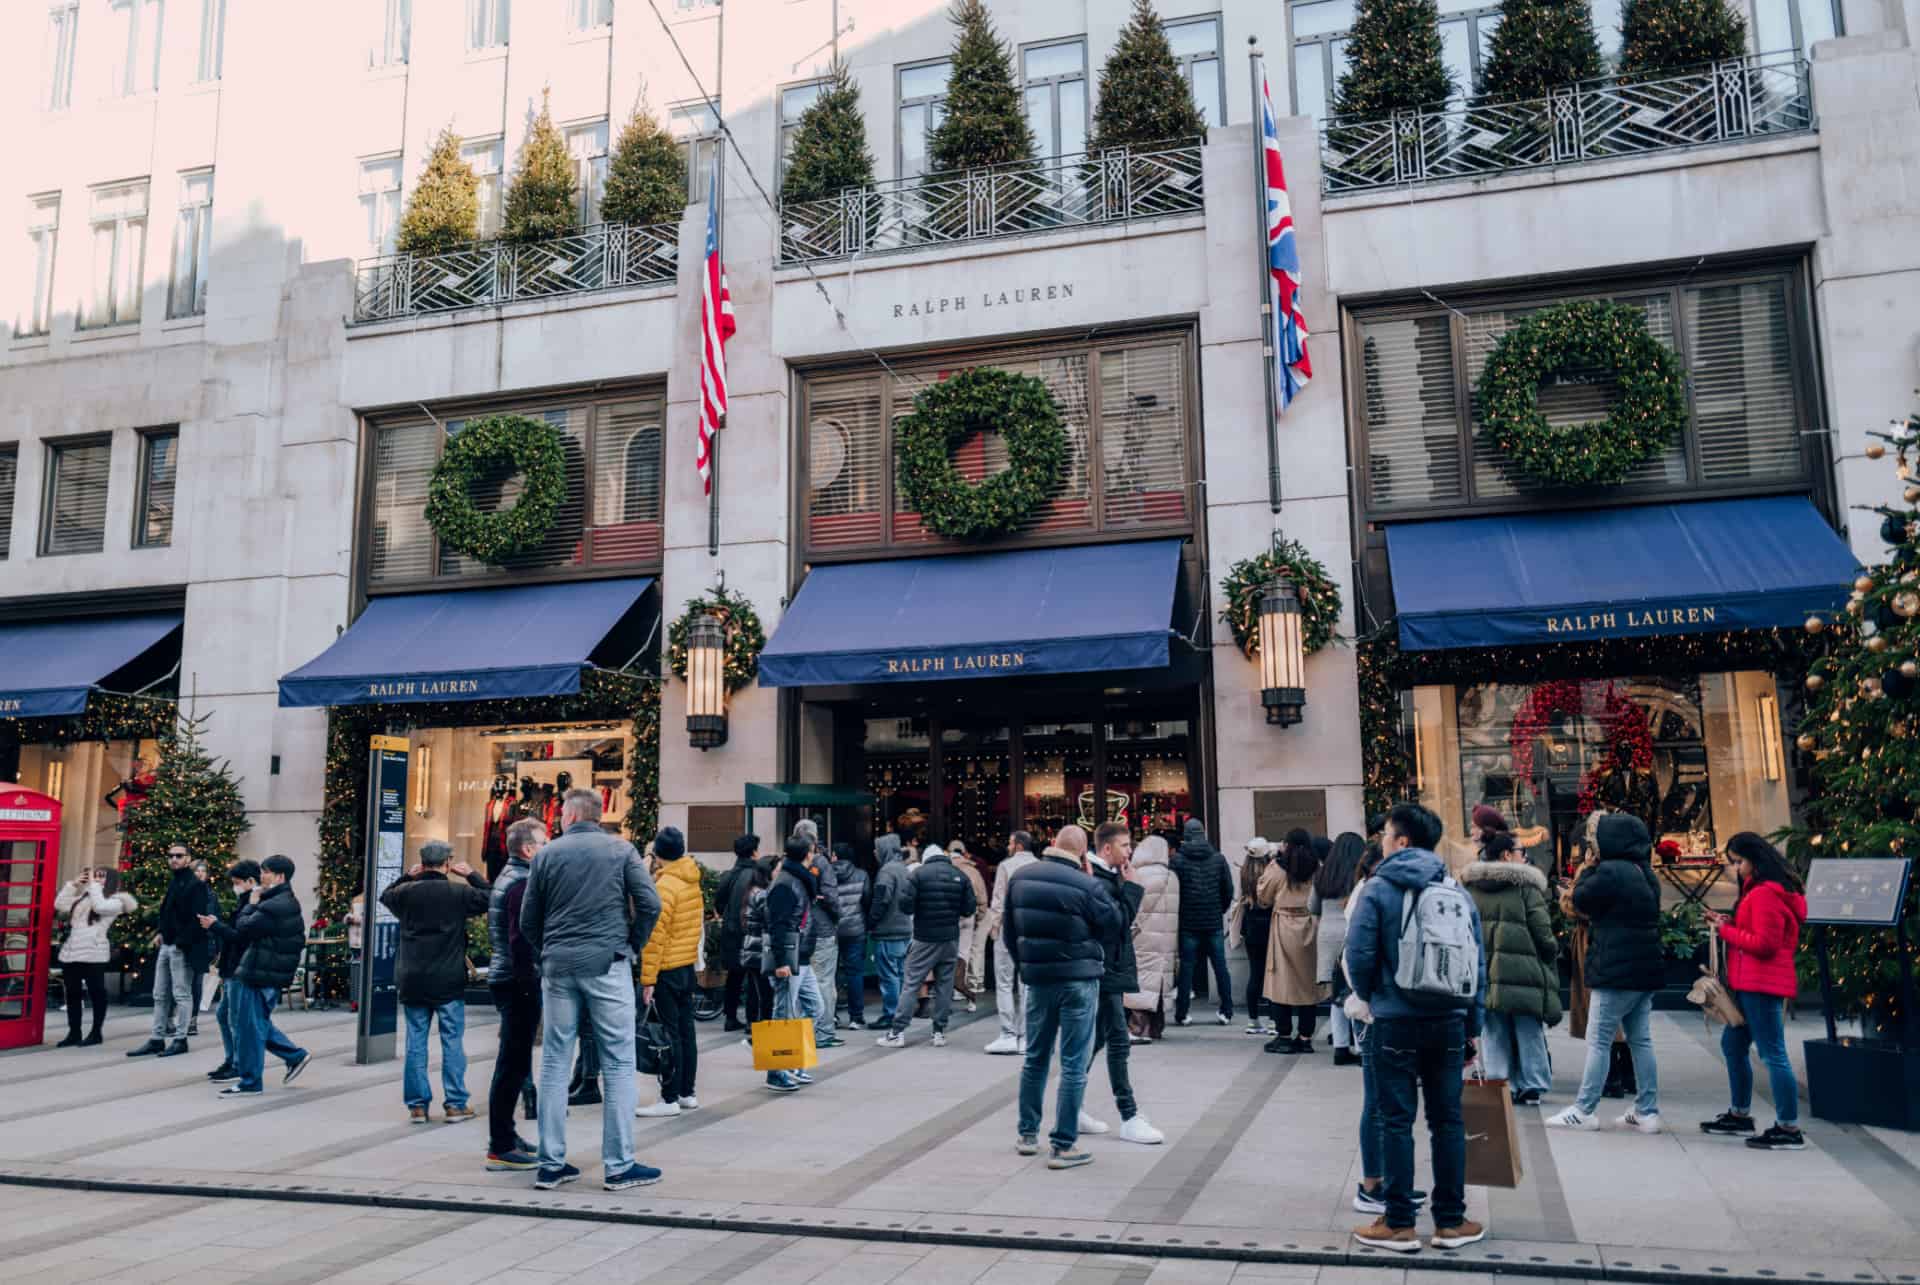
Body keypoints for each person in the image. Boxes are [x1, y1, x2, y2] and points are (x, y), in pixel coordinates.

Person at [1345, 803, 1487, 1253]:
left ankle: (1400, 1223)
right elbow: (1477, 966)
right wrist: (1472, 1025)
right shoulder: (1456, 890)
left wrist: (1372, 998)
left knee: (1395, 1120)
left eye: (1386, 834)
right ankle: (1450, 1221)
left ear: (1402, 841)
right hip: (1447, 1020)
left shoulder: (1377, 890)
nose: (1382, 841)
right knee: (1447, 1121)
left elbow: (1359, 957)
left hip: (1395, 1020)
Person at [519, 788, 662, 1192]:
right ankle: (618, 1166)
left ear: (570, 815)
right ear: (597, 816)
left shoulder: (546, 855)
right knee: (617, 1060)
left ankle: (550, 1163)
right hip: (607, 961)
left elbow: (530, 918)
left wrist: (548, 949)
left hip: (559, 965)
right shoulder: (621, 851)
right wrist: (632, 943)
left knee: (554, 1060)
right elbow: (650, 902)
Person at [1003, 824, 1122, 1169]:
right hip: (1078, 980)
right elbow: (1112, 926)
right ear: (1083, 854)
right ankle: (1063, 1145)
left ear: (1053, 844)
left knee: (1035, 1057)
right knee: (1073, 1063)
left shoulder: (1021, 879)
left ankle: (1027, 1135)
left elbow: (1011, 934)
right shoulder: (1087, 883)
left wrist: (1028, 965)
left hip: (1038, 980)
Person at [1548, 813, 1664, 1134]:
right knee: (1641, 1040)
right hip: (1645, 966)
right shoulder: (1645, 872)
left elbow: (1581, 897)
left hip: (1614, 968)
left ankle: (1584, 1109)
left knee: (1598, 1040)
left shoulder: (1609, 871)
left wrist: (1589, 867)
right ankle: (1647, 1111)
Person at [1702, 832, 1808, 1151]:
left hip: (1762, 982)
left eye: (1739, 861)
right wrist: (1728, 922)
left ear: (1755, 860)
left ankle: (1789, 1127)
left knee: (1772, 1053)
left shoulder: (1765, 893)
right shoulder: (1760, 890)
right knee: (1733, 1045)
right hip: (1750, 981)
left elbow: (1765, 944)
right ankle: (1740, 1114)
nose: (1736, 868)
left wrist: (1726, 930)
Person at [380, 840, 491, 1123]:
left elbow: (386, 895)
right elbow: (491, 897)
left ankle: (417, 1105)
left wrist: (408, 875)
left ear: (422, 863)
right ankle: (455, 1103)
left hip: (413, 977)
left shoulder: (405, 893)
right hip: (447, 977)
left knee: (415, 1041)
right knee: (451, 1040)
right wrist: (471, 874)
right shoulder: (458, 892)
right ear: (448, 863)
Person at [1462, 831, 1559, 1104]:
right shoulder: (1526, 888)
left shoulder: (1471, 888)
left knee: (1494, 1029)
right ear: (1507, 855)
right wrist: (1550, 954)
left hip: (1486, 973)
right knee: (1528, 1029)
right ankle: (1532, 1084)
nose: (1524, 856)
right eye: (1521, 851)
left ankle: (1499, 1081)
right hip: (1524, 972)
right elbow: (1543, 933)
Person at [1083, 822, 1164, 1145]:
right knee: (1117, 1040)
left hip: (1110, 969)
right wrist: (1132, 887)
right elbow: (1116, 923)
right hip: (1105, 970)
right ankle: (1128, 1115)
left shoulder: (1107, 875)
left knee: (1100, 1040)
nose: (1130, 851)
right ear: (1107, 849)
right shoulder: (1098, 881)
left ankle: (1070, 1105)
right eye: (1125, 845)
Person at [221, 854, 312, 1097]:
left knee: (250, 1027)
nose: (262, 876)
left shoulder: (274, 904)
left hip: (261, 973)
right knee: (255, 1023)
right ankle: (294, 1056)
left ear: (280, 877)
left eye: (266, 872)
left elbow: (244, 927)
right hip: (264, 971)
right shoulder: (281, 900)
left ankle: (251, 1082)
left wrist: (251, 901)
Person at [1560, 809, 1635, 1100]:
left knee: (1602, 1012)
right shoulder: (1631, 867)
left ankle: (1611, 1077)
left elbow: (1580, 906)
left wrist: (1566, 896)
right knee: (1622, 1014)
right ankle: (1627, 1074)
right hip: (1619, 945)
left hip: (1595, 944)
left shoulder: (1598, 869)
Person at [485, 818, 545, 1169]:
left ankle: (506, 1133)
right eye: (545, 841)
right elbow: (520, 941)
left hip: (509, 977)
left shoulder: (513, 876)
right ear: (529, 849)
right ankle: (500, 1143)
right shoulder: (521, 883)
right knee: (512, 1062)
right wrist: (529, 985)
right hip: (515, 981)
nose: (549, 847)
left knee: (516, 1061)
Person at [877, 841, 977, 1048]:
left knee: (911, 982)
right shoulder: (959, 874)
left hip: (924, 937)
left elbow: (905, 906)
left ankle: (897, 1032)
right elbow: (969, 909)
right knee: (944, 985)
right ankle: (939, 1032)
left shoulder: (917, 875)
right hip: (950, 938)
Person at [638, 826, 704, 1118]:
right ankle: (687, 1092)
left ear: (658, 854)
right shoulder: (690, 880)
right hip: (686, 965)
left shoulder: (665, 886)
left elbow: (655, 937)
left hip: (666, 969)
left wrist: (647, 979)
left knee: (669, 1034)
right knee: (686, 1032)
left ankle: (669, 1097)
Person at [128, 845, 215, 1057]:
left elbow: (198, 919)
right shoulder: (175, 880)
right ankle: (157, 1038)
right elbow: (166, 911)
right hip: (167, 944)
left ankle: (180, 1039)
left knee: (181, 993)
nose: (174, 859)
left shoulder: (196, 885)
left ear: (188, 858)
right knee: (159, 994)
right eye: (171, 856)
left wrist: (180, 943)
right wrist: (160, 932)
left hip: (182, 948)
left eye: (179, 856)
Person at [764, 835, 825, 1091]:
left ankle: (794, 1061)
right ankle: (777, 1070)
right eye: (812, 851)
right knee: (783, 1013)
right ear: (807, 853)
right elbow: (777, 924)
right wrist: (780, 960)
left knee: (815, 1008)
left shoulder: (800, 880)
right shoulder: (787, 884)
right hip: (789, 957)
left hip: (802, 955)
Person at [55, 867, 135, 1047]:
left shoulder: (116, 901)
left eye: (102, 877)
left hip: (94, 953)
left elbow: (100, 907)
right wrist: (73, 884)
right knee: (73, 994)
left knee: (97, 993)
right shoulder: (85, 898)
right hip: (72, 951)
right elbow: (60, 905)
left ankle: (96, 1032)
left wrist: (93, 887)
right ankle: (74, 1032)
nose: (98, 879)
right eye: (96, 876)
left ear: (112, 880)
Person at [1260, 830, 1324, 1054]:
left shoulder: (1278, 868)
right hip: (1310, 924)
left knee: (1281, 982)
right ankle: (1305, 1037)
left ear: (1286, 844)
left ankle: (1284, 1035)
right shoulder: (1317, 867)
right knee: (1309, 984)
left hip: (1284, 925)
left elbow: (1263, 897)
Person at [1170, 819, 1234, 1026]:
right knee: (1220, 967)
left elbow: (1173, 892)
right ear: (1203, 834)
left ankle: (1182, 1013)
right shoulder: (1218, 859)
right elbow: (1228, 890)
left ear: (1186, 836)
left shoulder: (1178, 860)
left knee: (1187, 968)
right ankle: (1226, 1011)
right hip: (1213, 921)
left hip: (1188, 922)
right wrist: (1219, 909)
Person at [200, 860, 260, 1082]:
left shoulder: (253, 903)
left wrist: (216, 926)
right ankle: (232, 1060)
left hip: (238, 968)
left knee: (234, 1018)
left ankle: (237, 1063)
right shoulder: (244, 901)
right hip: (232, 966)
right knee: (224, 1015)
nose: (235, 886)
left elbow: (240, 936)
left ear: (250, 881)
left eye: (237, 882)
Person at [984, 831, 1040, 1055]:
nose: (1007, 846)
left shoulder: (1006, 867)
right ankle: (1027, 1036)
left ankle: (1008, 1034)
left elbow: (998, 901)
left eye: (1009, 843)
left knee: (1005, 982)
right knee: (1028, 985)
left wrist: (994, 928)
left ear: (1017, 846)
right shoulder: (1040, 866)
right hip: (1033, 929)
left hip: (1009, 928)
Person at [1314, 833, 1366, 1064]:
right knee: (1357, 990)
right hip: (1351, 932)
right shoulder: (1360, 876)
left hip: (1327, 934)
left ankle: (1340, 1047)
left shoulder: (1323, 873)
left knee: (1336, 993)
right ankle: (1360, 1044)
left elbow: (1312, 906)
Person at [794, 820, 844, 1051]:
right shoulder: (821, 863)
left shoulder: (789, 863)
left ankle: (804, 1029)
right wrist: (836, 917)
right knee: (823, 982)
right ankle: (823, 1031)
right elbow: (832, 898)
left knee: (801, 983)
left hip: (797, 931)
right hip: (822, 929)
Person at [1124, 834, 1178, 1044]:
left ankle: (1137, 1028)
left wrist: (1128, 929)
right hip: (1165, 938)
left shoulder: (1142, 875)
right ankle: (1155, 1027)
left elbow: (1138, 910)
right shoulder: (1171, 876)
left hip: (1144, 937)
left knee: (1142, 981)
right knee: (1159, 982)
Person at [868, 827, 916, 1032]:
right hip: (905, 930)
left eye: (877, 849)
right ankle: (903, 1013)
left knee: (889, 976)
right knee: (901, 974)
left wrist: (871, 921)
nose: (874, 852)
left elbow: (881, 899)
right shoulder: (904, 869)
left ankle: (892, 1014)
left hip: (889, 931)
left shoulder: (887, 872)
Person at [714, 835, 761, 1032]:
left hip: (730, 931)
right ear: (754, 852)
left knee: (734, 975)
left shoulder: (729, 874)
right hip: (748, 931)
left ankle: (730, 1016)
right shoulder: (757, 874)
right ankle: (752, 1020)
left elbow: (718, 902)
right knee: (754, 975)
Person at [829, 842, 872, 1029]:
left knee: (831, 974)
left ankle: (832, 1015)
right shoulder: (862, 875)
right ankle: (856, 1017)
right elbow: (868, 900)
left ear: (835, 856)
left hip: (832, 929)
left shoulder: (826, 874)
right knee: (855, 973)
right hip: (856, 929)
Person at [1237, 838, 1274, 1036]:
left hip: (1250, 927)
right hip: (1269, 926)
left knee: (1255, 974)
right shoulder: (1269, 873)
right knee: (1272, 975)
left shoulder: (1244, 872)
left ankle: (1253, 1020)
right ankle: (1273, 1021)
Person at [950, 839, 990, 1012]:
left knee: (949, 950)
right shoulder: (973, 871)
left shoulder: (945, 869)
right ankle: (966, 986)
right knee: (965, 952)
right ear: (964, 853)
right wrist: (979, 917)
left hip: (949, 916)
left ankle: (953, 989)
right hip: (968, 917)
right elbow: (982, 898)